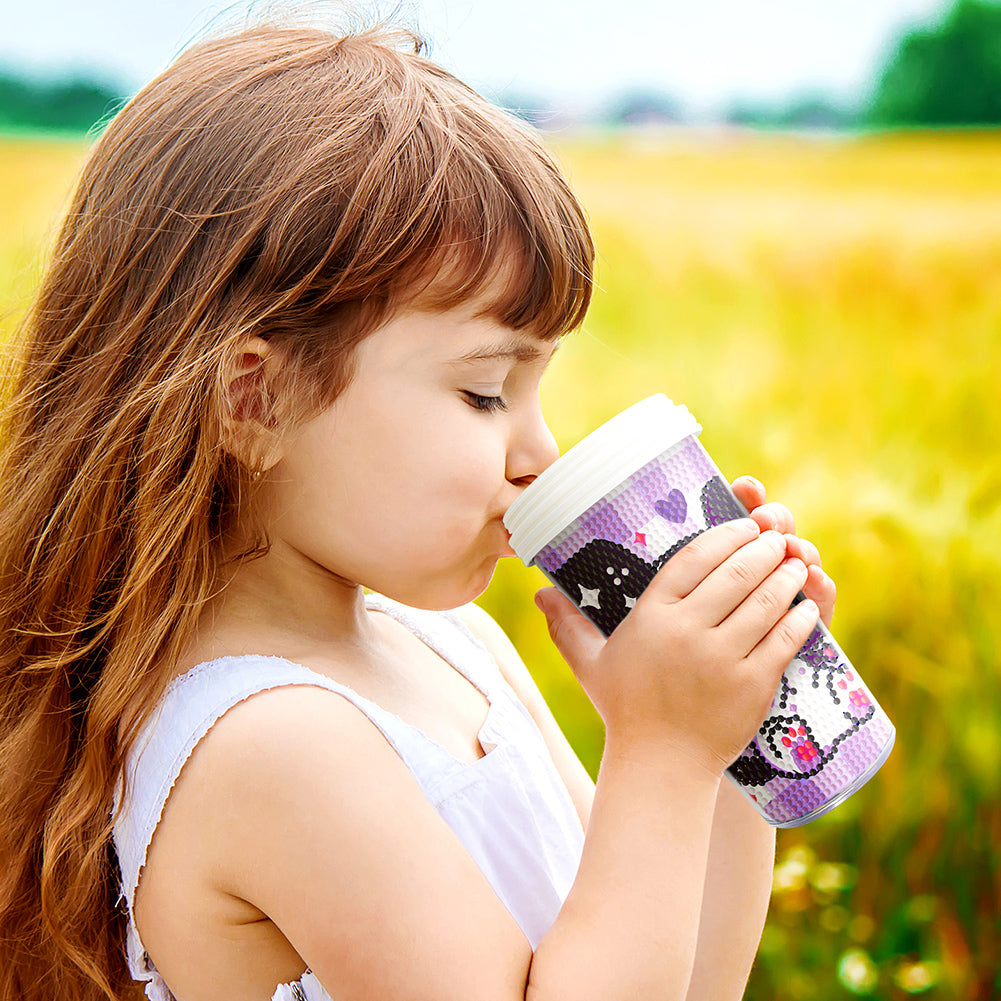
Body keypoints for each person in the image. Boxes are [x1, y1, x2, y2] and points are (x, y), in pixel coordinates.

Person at [0, 17, 837, 1001]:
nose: (540, 452)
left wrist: (720, 734)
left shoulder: (454, 648)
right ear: (255, 400)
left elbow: (687, 981)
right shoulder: (272, 745)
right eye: (485, 391)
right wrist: (660, 752)